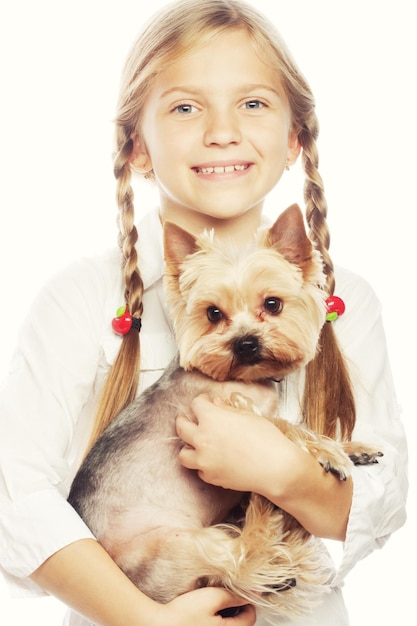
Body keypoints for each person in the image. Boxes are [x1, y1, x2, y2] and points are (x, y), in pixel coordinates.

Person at [0, 1, 408, 625]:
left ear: (296, 136)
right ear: (135, 146)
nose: (222, 131)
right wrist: (144, 619)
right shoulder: (80, 296)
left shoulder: (343, 301)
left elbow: (386, 497)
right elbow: (13, 494)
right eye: (186, 107)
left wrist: (287, 473)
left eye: (253, 103)